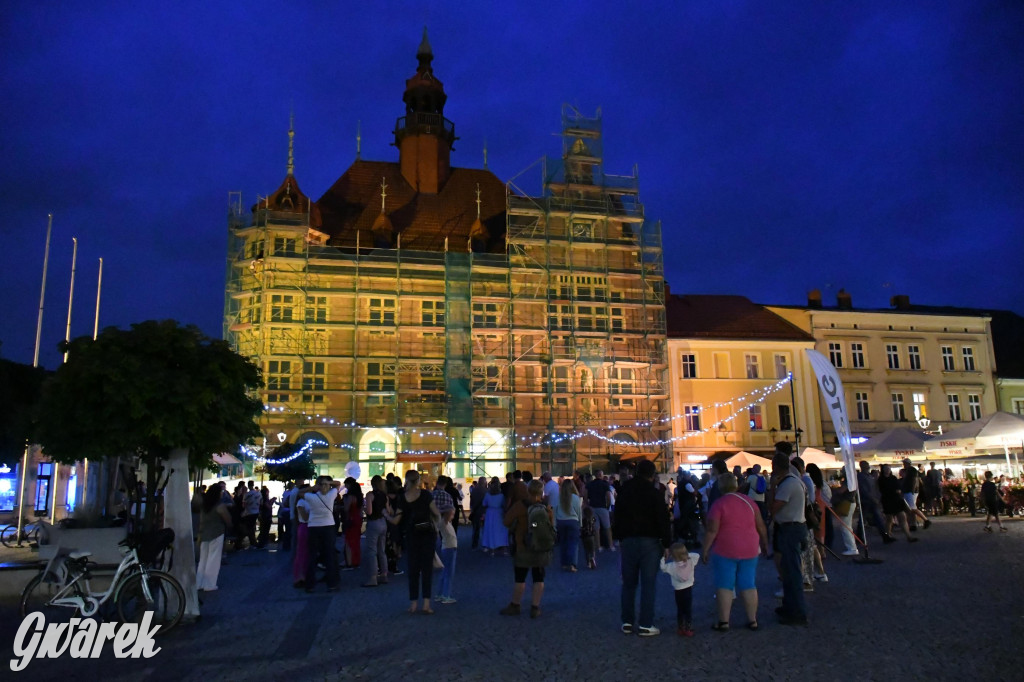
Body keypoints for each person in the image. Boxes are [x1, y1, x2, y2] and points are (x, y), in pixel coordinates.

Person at [613, 458, 672, 637]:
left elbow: (617, 514)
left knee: (629, 584)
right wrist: (667, 543)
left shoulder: (624, 490)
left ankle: (627, 621)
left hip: (628, 540)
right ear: (652, 475)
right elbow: (663, 519)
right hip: (650, 541)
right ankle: (646, 623)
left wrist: (619, 537)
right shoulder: (654, 493)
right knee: (648, 584)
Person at [702, 472, 768, 632]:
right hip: (750, 548)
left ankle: (724, 621)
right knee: (748, 583)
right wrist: (765, 545)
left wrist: (705, 549)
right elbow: (760, 526)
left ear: (720, 486)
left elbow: (712, 530)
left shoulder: (719, 504)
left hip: (725, 548)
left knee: (725, 584)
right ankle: (753, 620)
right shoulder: (750, 502)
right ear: (736, 485)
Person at [386, 469, 442, 614]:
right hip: (427, 534)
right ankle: (427, 604)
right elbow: (436, 513)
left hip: (412, 535)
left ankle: (413, 604)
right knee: (427, 569)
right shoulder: (425, 495)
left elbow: (396, 520)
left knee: (413, 569)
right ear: (418, 481)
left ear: (406, 480)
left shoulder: (402, 498)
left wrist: (385, 514)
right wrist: (436, 524)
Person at [500, 479, 553, 618]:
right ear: (542, 492)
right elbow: (551, 525)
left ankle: (515, 605)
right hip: (541, 546)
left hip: (523, 546)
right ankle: (535, 607)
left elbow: (506, 521)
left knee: (520, 578)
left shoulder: (520, 506)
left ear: (528, 491)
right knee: (539, 578)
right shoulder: (546, 507)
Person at [771, 451, 808, 626]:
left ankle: (798, 612)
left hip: (790, 528)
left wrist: (772, 487)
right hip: (793, 527)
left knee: (792, 572)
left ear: (776, 466)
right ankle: (789, 606)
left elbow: (774, 507)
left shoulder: (787, 484)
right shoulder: (794, 481)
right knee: (788, 570)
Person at [299, 475, 343, 593]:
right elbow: (338, 483)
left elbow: (300, 493)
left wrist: (314, 487)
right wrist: (328, 482)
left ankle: (310, 585)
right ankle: (332, 584)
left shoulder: (311, 497)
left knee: (312, 556)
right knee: (329, 555)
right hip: (328, 526)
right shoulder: (331, 495)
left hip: (313, 526)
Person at [196, 485, 232, 592]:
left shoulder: (204, 506)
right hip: (216, 533)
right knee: (214, 559)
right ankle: (209, 584)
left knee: (203, 559)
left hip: (204, 534)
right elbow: (228, 519)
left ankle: (199, 583)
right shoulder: (220, 506)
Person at [660, 541, 699, 637]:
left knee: (680, 609)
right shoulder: (691, 562)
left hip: (678, 589)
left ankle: (680, 627)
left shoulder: (672, 566)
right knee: (688, 609)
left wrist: (663, 558)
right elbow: (697, 555)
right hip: (688, 588)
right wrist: (686, 555)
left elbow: (662, 567)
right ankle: (688, 627)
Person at [878, 464, 917, 543]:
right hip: (887, 500)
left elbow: (898, 487)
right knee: (889, 520)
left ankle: (908, 536)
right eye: (886, 468)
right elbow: (881, 490)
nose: (887, 470)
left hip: (896, 500)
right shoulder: (880, 479)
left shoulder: (893, 478)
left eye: (888, 468)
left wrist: (899, 491)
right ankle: (887, 535)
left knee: (902, 517)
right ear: (883, 470)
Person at [363, 475, 390, 587]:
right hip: (383, 522)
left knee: (372, 551)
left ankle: (373, 577)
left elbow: (369, 511)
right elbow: (388, 510)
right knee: (382, 550)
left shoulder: (370, 495)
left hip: (373, 523)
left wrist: (363, 508)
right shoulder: (385, 496)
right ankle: (384, 574)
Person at [555, 478, 583, 571]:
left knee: (563, 543)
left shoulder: (558, 497)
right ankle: (572, 564)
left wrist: (554, 524)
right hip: (573, 521)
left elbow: (555, 511)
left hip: (561, 521)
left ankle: (564, 563)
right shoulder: (575, 498)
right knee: (573, 543)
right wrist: (580, 523)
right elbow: (579, 512)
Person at [586, 470, 614, 552]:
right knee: (607, 527)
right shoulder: (605, 484)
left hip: (593, 507)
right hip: (602, 507)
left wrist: (588, 504)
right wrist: (607, 506)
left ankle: (598, 546)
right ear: (601, 475)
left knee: (596, 527)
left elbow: (585, 495)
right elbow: (608, 496)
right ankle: (611, 545)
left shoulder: (590, 484)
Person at [900, 459, 931, 530]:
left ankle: (925, 520)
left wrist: (912, 490)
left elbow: (914, 480)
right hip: (910, 491)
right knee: (912, 508)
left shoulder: (911, 470)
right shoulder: (910, 470)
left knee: (912, 508)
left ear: (907, 463)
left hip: (910, 491)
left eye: (904, 463)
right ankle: (913, 524)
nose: (903, 464)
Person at [481, 477, 507, 555]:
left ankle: (491, 548)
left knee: (490, 530)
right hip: (499, 512)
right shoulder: (502, 495)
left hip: (490, 513)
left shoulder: (487, 495)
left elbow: (484, 504)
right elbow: (504, 504)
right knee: (501, 530)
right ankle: (503, 548)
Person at [341, 477, 363, 569]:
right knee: (356, 541)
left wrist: (339, 507)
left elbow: (346, 508)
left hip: (351, 518)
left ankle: (349, 562)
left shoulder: (350, 496)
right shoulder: (360, 495)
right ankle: (356, 561)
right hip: (358, 518)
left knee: (349, 541)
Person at [292, 493, 310, 588]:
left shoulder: (307, 501)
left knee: (306, 553)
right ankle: (299, 576)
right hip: (304, 526)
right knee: (301, 553)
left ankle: (304, 575)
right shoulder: (301, 502)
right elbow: (305, 517)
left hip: (309, 526)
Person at [241, 481, 261, 549]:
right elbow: (261, 502)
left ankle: (252, 542)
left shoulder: (246, 495)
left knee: (249, 528)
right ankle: (253, 541)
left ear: (248, 485)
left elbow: (244, 505)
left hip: (249, 513)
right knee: (252, 527)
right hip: (256, 512)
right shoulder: (258, 493)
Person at [469, 476, 486, 549]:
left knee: (476, 529)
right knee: (485, 529)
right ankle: (485, 545)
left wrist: (472, 509)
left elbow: (471, 501)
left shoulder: (474, 490)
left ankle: (474, 544)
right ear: (484, 482)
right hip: (484, 512)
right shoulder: (486, 491)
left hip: (476, 511)